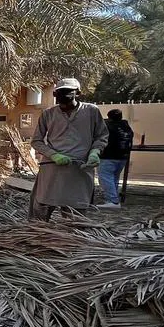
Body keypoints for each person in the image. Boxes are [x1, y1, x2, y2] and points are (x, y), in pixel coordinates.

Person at [29, 78, 108, 221]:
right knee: (41, 209)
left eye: (68, 93)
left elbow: (101, 135)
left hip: (80, 169)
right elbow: (36, 141)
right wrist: (53, 155)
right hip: (52, 169)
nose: (63, 97)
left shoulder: (91, 111)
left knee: (76, 215)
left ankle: (71, 240)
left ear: (77, 93)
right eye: (59, 93)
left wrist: (95, 152)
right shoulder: (48, 114)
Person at [97, 109, 133, 209]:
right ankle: (112, 199)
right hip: (123, 156)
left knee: (106, 178)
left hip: (109, 156)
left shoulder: (108, 126)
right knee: (114, 178)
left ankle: (113, 201)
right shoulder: (126, 126)